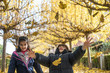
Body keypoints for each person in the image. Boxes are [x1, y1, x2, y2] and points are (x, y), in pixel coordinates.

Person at [28, 37, 93, 73]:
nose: (61, 47)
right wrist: (35, 56)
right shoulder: (52, 56)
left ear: (66, 49)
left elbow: (76, 55)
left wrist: (83, 47)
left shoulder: (69, 55)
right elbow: (44, 59)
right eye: (59, 46)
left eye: (63, 46)